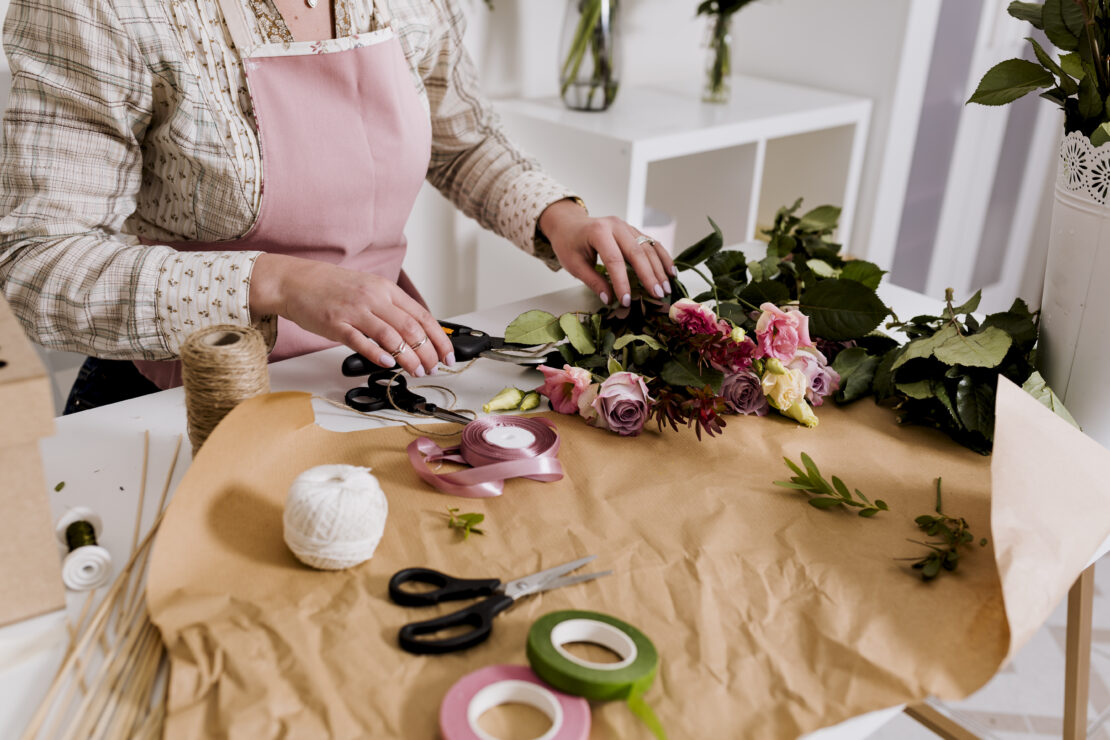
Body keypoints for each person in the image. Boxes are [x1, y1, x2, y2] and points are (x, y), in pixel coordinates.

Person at [0, 0, 674, 412]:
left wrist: (560, 218)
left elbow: (461, 143)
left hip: (375, 379)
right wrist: (276, 282)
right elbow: (36, 265)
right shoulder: (95, 8)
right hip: (186, 395)